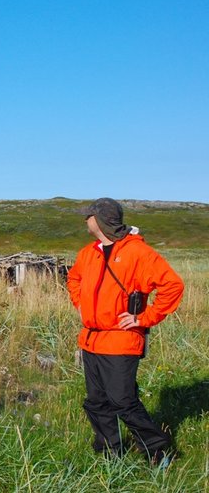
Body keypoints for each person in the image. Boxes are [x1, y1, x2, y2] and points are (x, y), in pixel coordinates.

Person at [67, 198, 184, 467]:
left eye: (88, 216)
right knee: (96, 402)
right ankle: (111, 453)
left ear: (100, 220)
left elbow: (173, 286)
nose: (84, 220)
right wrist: (80, 304)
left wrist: (145, 318)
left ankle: (158, 450)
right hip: (91, 339)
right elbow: (74, 278)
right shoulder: (88, 253)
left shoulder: (137, 253)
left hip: (121, 340)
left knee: (123, 401)